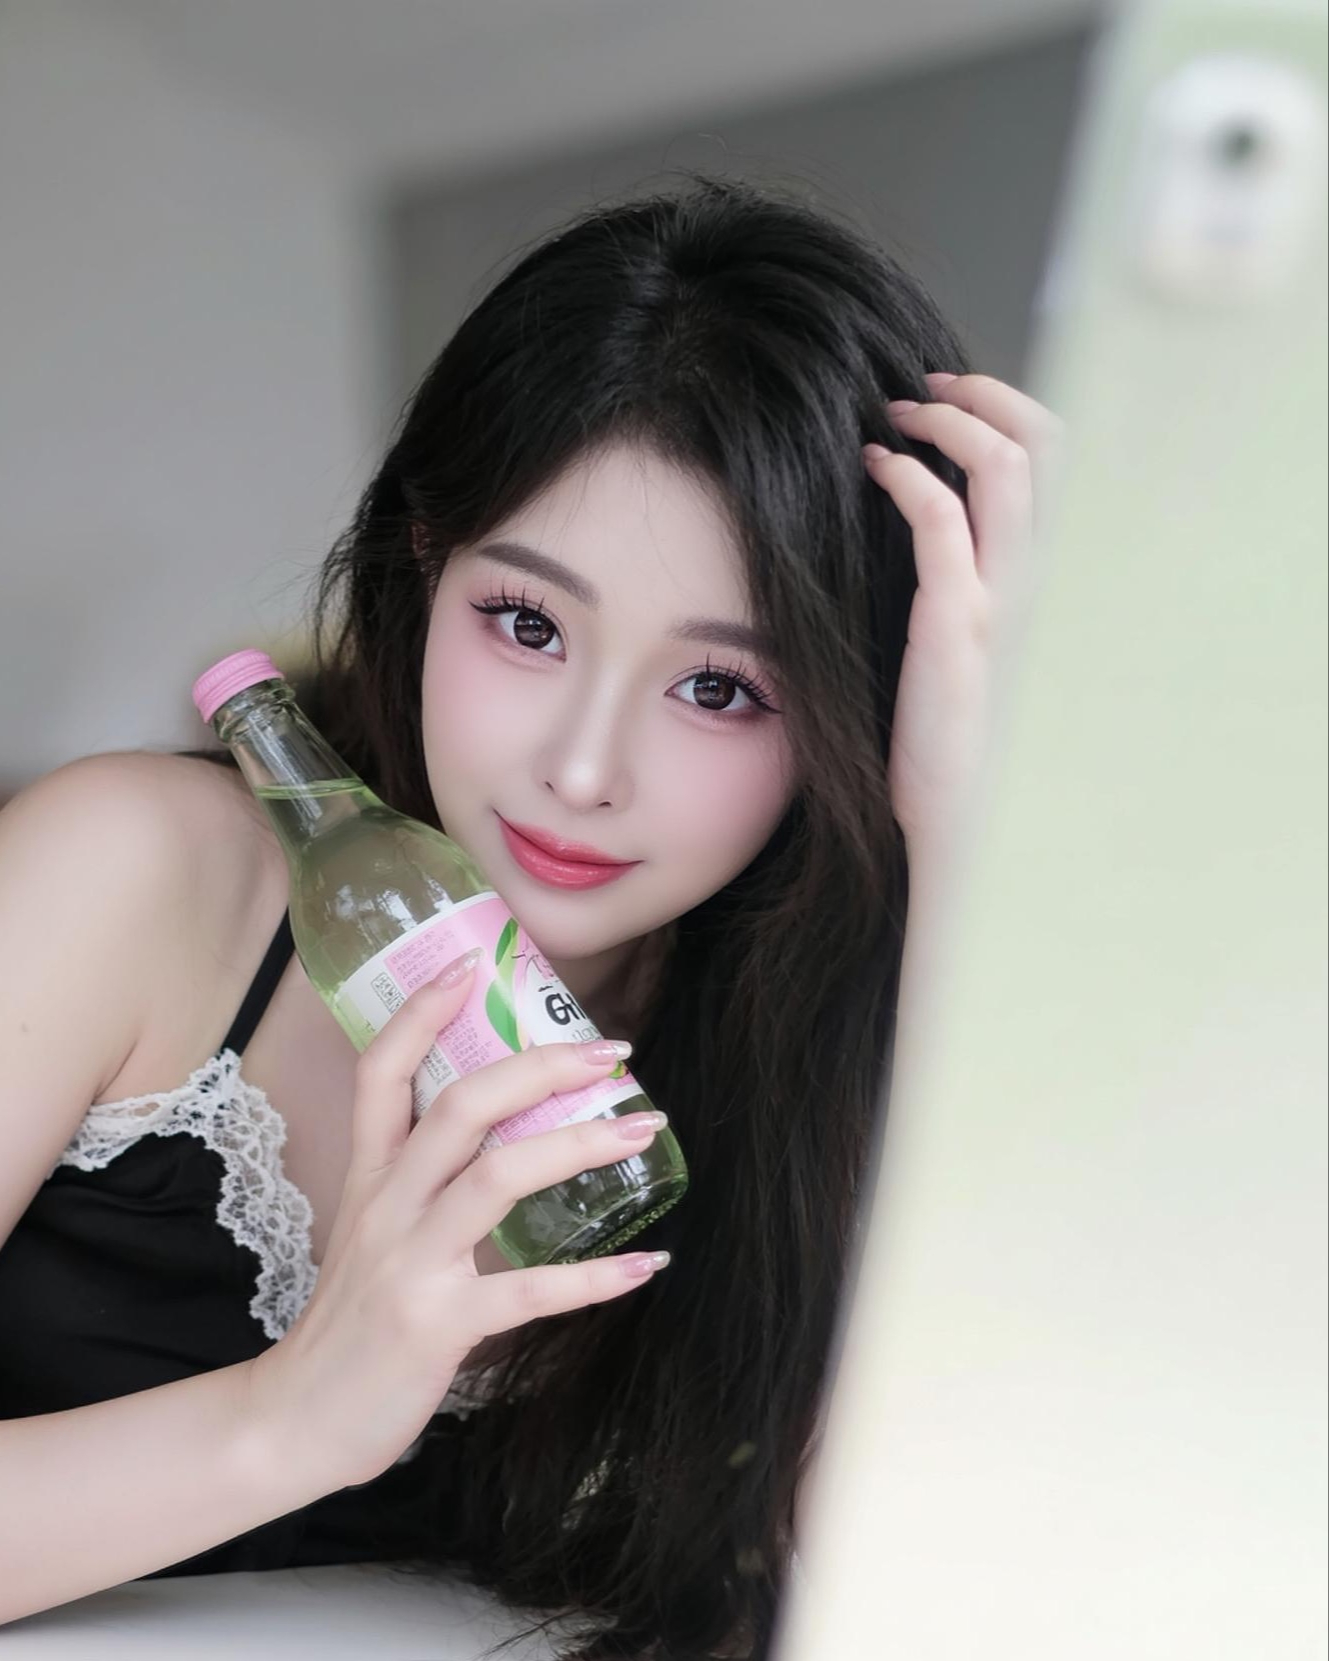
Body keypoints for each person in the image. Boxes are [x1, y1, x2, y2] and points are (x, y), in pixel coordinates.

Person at [0, 172, 1060, 1657]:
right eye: (528, 623)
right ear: (424, 561)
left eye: (719, 687)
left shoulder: (811, 1041)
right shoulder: (132, 879)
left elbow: (938, 1587)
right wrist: (285, 1421)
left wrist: (967, 850)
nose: (580, 768)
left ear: (853, 710)